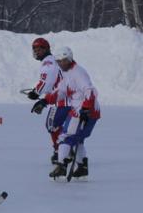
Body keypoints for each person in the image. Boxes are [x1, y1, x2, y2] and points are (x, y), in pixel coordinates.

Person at [32, 46, 99, 181]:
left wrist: (86, 110)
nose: (60, 63)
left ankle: (61, 165)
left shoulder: (78, 73)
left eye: (63, 60)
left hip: (83, 110)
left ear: (69, 59)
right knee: (77, 139)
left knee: (65, 137)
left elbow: (90, 91)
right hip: (85, 110)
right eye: (58, 61)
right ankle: (82, 167)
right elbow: (60, 92)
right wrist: (44, 101)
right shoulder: (68, 74)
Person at [23, 37, 67, 165]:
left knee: (51, 124)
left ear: (46, 49)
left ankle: (60, 151)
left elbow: (47, 80)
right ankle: (69, 151)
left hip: (59, 100)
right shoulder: (53, 60)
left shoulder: (48, 62)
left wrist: (36, 92)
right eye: (34, 48)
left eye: (39, 48)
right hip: (61, 97)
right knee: (63, 126)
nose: (36, 51)